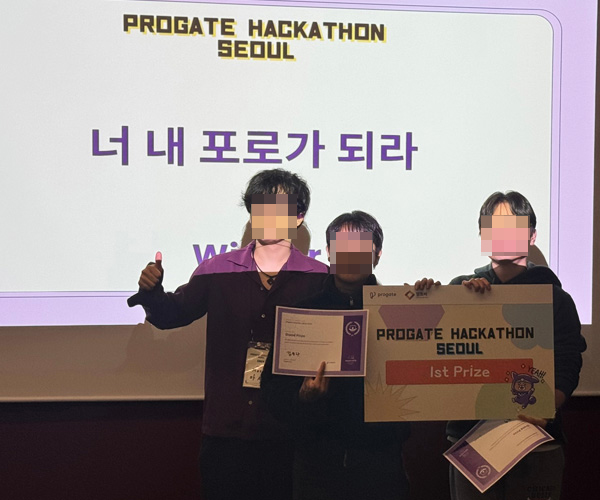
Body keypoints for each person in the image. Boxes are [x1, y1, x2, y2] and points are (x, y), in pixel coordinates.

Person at [127, 168, 328, 500]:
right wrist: (152, 291)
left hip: (291, 433)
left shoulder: (319, 277)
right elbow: (171, 315)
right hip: (227, 432)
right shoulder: (216, 270)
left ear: (298, 216)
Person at [420, 191, 586, 500]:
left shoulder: (556, 299)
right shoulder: (460, 290)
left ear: (532, 236)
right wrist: (426, 299)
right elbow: (429, 351)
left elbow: (568, 361)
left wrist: (546, 406)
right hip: (471, 441)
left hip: (536, 440)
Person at [262, 211, 411, 500]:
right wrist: (303, 397)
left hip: (382, 461)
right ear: (329, 252)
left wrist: (427, 302)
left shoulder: (399, 312)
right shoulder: (302, 313)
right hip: (318, 464)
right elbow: (272, 392)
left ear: (377, 254)